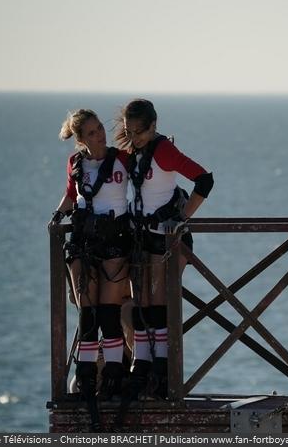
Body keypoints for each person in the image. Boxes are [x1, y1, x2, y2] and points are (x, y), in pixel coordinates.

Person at [115, 99, 213, 400]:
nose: (134, 138)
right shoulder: (135, 151)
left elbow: (204, 179)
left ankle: (161, 365)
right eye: (129, 132)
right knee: (142, 301)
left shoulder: (163, 150)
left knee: (159, 302)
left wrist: (182, 219)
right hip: (141, 236)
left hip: (167, 237)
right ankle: (142, 363)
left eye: (139, 132)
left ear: (153, 126)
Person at [49, 109, 132, 420]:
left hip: (115, 240)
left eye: (101, 129)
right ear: (81, 139)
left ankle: (112, 376)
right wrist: (57, 218)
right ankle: (85, 378)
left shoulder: (122, 159)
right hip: (83, 241)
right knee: (88, 315)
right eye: (93, 132)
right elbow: (72, 195)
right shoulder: (75, 164)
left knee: (109, 315)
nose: (101, 135)